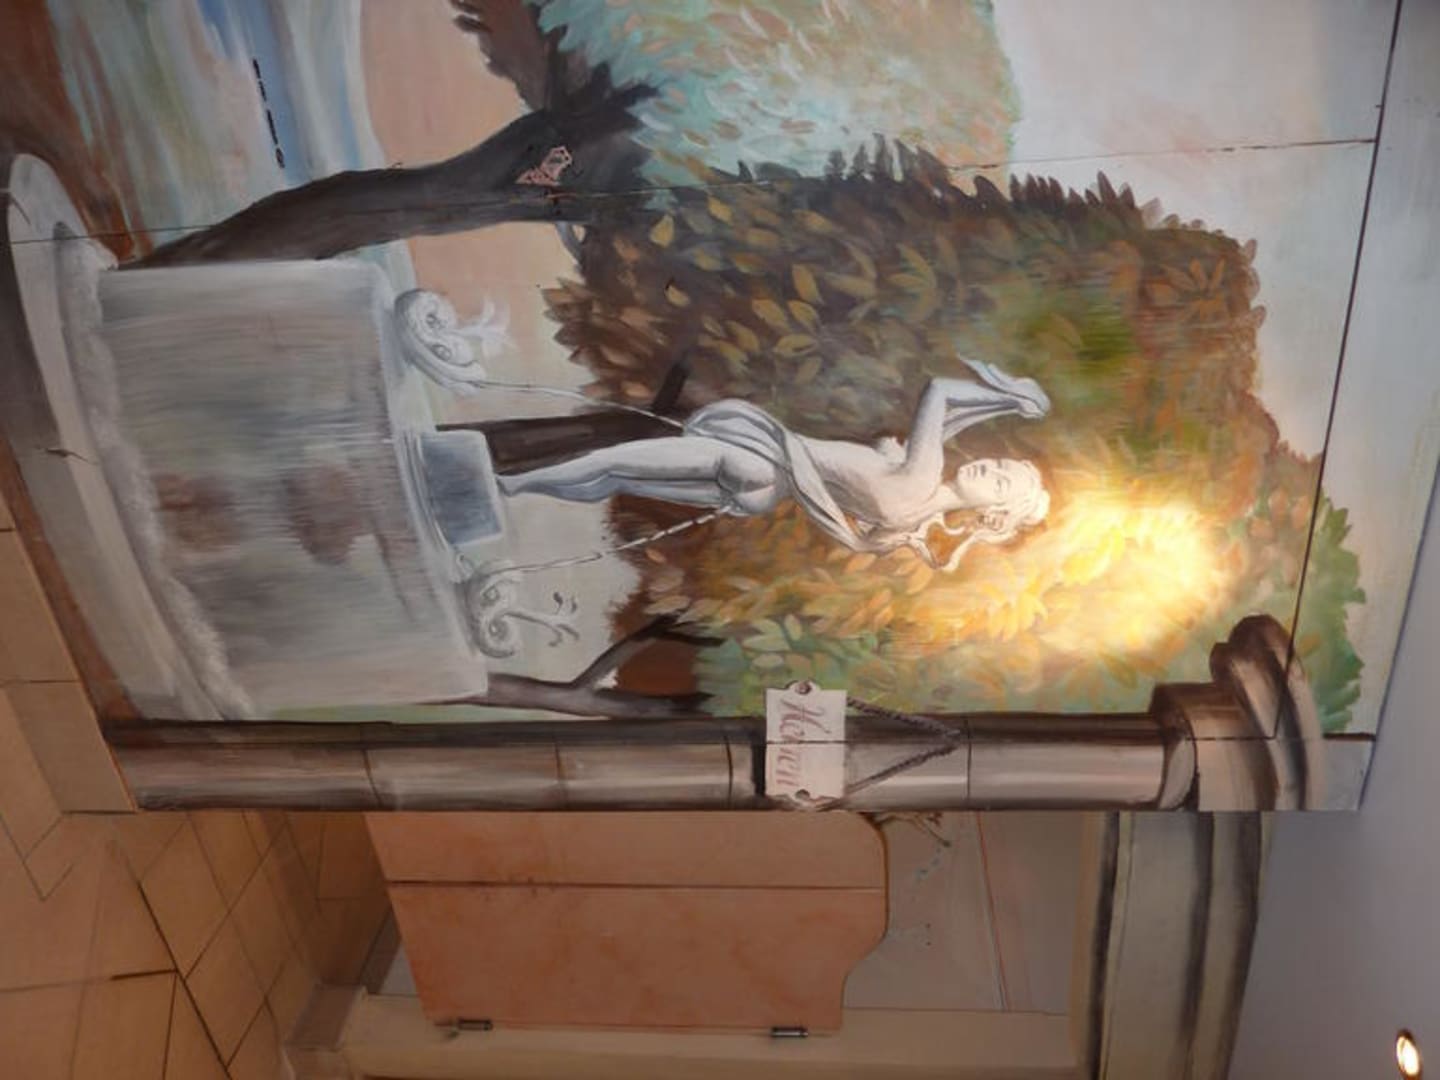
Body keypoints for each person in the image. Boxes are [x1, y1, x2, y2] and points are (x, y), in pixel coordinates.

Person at [499, 359, 1051, 571]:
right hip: (764, 494)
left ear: (992, 515)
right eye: (999, 462)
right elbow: (863, 512)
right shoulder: (911, 524)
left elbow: (939, 390)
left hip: (762, 460)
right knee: (617, 478)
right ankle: (517, 489)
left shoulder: (924, 475)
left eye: (1000, 480)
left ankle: (510, 484)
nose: (989, 467)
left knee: (614, 461)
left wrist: (1009, 395)